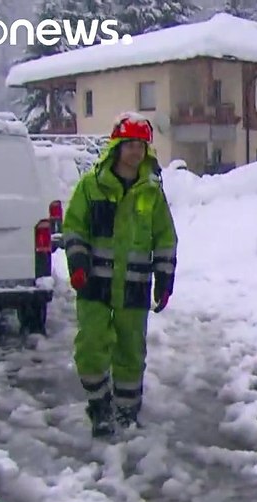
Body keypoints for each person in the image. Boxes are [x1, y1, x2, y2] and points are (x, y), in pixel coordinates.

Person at [62, 112, 177, 438]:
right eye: (130, 145)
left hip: (134, 288)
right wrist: (79, 264)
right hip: (94, 285)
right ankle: (99, 405)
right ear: (117, 147)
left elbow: (165, 238)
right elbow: (73, 228)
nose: (135, 152)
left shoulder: (151, 193)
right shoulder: (91, 186)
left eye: (141, 146)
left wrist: (164, 280)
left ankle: (127, 411)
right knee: (91, 346)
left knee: (130, 353)